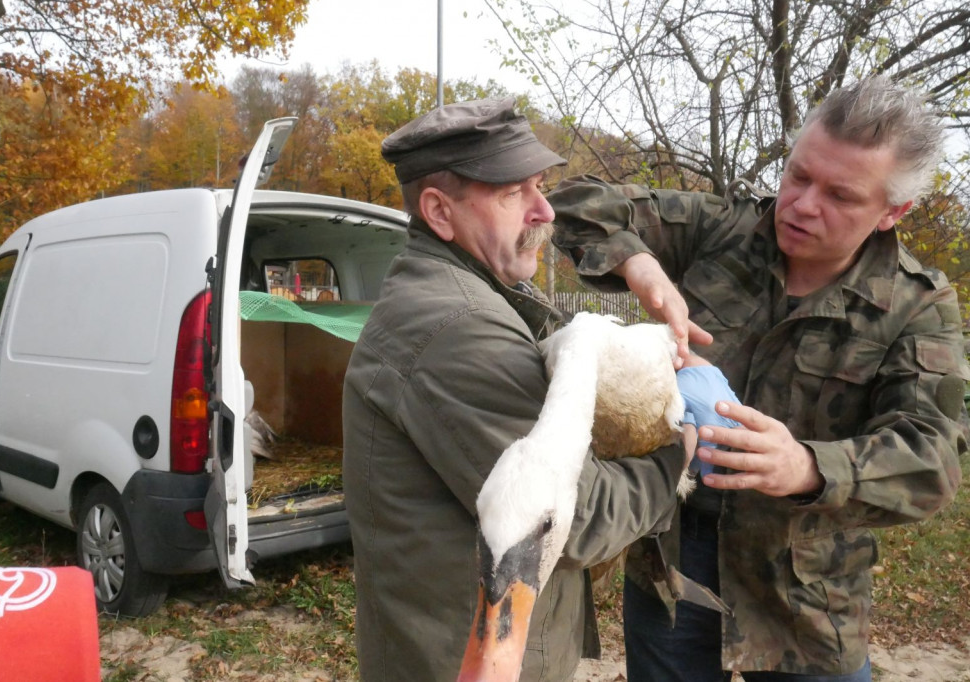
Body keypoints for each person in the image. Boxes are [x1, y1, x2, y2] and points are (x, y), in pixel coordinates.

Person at [547, 75, 969, 681]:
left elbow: (932, 458)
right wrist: (639, 264)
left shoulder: (916, 305)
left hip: (807, 587)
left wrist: (806, 466)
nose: (801, 205)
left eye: (841, 196)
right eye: (798, 175)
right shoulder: (723, 229)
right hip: (676, 565)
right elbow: (570, 201)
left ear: (891, 212)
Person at [342, 99, 686, 681]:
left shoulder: (477, 293)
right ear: (439, 212)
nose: (544, 210)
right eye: (512, 193)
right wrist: (680, 456)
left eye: (540, 186)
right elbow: (580, 516)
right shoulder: (458, 327)